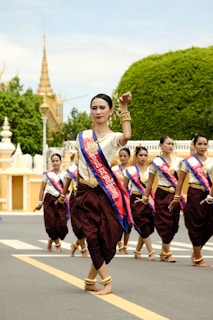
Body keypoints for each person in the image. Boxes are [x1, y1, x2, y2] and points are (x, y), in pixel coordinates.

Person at [73, 92, 133, 295]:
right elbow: (79, 165)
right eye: (94, 107)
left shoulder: (113, 138)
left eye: (102, 108)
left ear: (110, 111)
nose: (98, 111)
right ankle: (107, 282)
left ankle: (90, 280)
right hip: (84, 194)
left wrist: (124, 108)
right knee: (91, 236)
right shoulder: (82, 137)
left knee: (108, 235)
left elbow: (127, 136)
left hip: (105, 193)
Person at [169, 133, 213, 267]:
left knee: (210, 224)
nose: (202, 146)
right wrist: (177, 198)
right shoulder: (188, 161)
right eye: (199, 144)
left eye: (205, 144)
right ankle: (198, 258)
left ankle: (197, 251)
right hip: (194, 193)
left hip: (208, 194)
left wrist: (210, 196)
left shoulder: (211, 161)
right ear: (194, 145)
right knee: (195, 224)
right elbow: (180, 180)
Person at [143, 136, 185, 262]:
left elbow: (182, 179)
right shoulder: (156, 163)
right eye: (167, 143)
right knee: (164, 223)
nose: (170, 146)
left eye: (172, 144)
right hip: (162, 194)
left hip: (175, 195)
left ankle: (163, 251)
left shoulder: (178, 161)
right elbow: (150, 182)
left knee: (173, 224)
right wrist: (145, 197)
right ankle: (168, 253)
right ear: (161, 145)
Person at [123, 146, 155, 260]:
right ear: (136, 157)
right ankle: (151, 252)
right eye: (141, 155)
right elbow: (124, 188)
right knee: (142, 224)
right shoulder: (130, 171)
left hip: (148, 199)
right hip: (136, 200)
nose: (143, 157)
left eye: (145, 155)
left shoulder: (151, 169)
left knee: (148, 225)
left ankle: (137, 251)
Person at [34, 153, 68, 253]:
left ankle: (50, 240)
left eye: (57, 160)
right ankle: (57, 244)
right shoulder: (47, 174)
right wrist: (40, 203)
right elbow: (42, 189)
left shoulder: (65, 174)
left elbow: (66, 189)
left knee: (61, 224)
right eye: (53, 161)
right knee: (51, 224)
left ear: (61, 162)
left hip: (60, 200)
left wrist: (64, 198)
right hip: (49, 200)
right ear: (50, 162)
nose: (55, 163)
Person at [59, 152, 88, 257]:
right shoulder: (73, 169)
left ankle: (75, 244)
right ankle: (83, 249)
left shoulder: (92, 170)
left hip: (89, 199)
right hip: (76, 199)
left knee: (91, 225)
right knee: (79, 225)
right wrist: (62, 196)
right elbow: (67, 183)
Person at [111, 147, 131, 254]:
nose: (122, 158)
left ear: (129, 157)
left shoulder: (132, 170)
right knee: (117, 222)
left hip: (129, 198)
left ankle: (125, 245)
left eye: (125, 156)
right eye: (121, 156)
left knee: (128, 223)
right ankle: (120, 245)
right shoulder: (114, 170)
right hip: (117, 198)